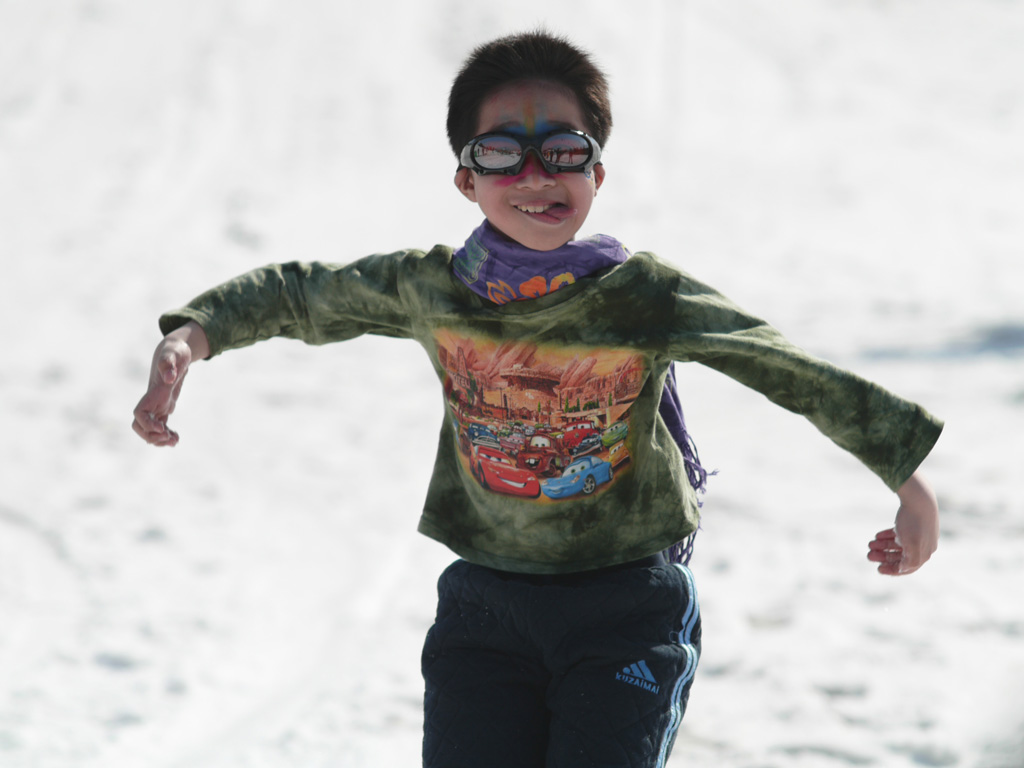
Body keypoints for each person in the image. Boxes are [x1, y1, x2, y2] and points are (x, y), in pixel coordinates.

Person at [132, 30, 942, 768]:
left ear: (596, 171)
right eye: (501, 154)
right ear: (465, 177)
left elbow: (781, 366)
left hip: (626, 606)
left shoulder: (641, 298)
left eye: (561, 151)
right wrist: (194, 335)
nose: (534, 177)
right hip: (486, 608)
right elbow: (305, 296)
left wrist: (908, 482)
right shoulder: (434, 289)